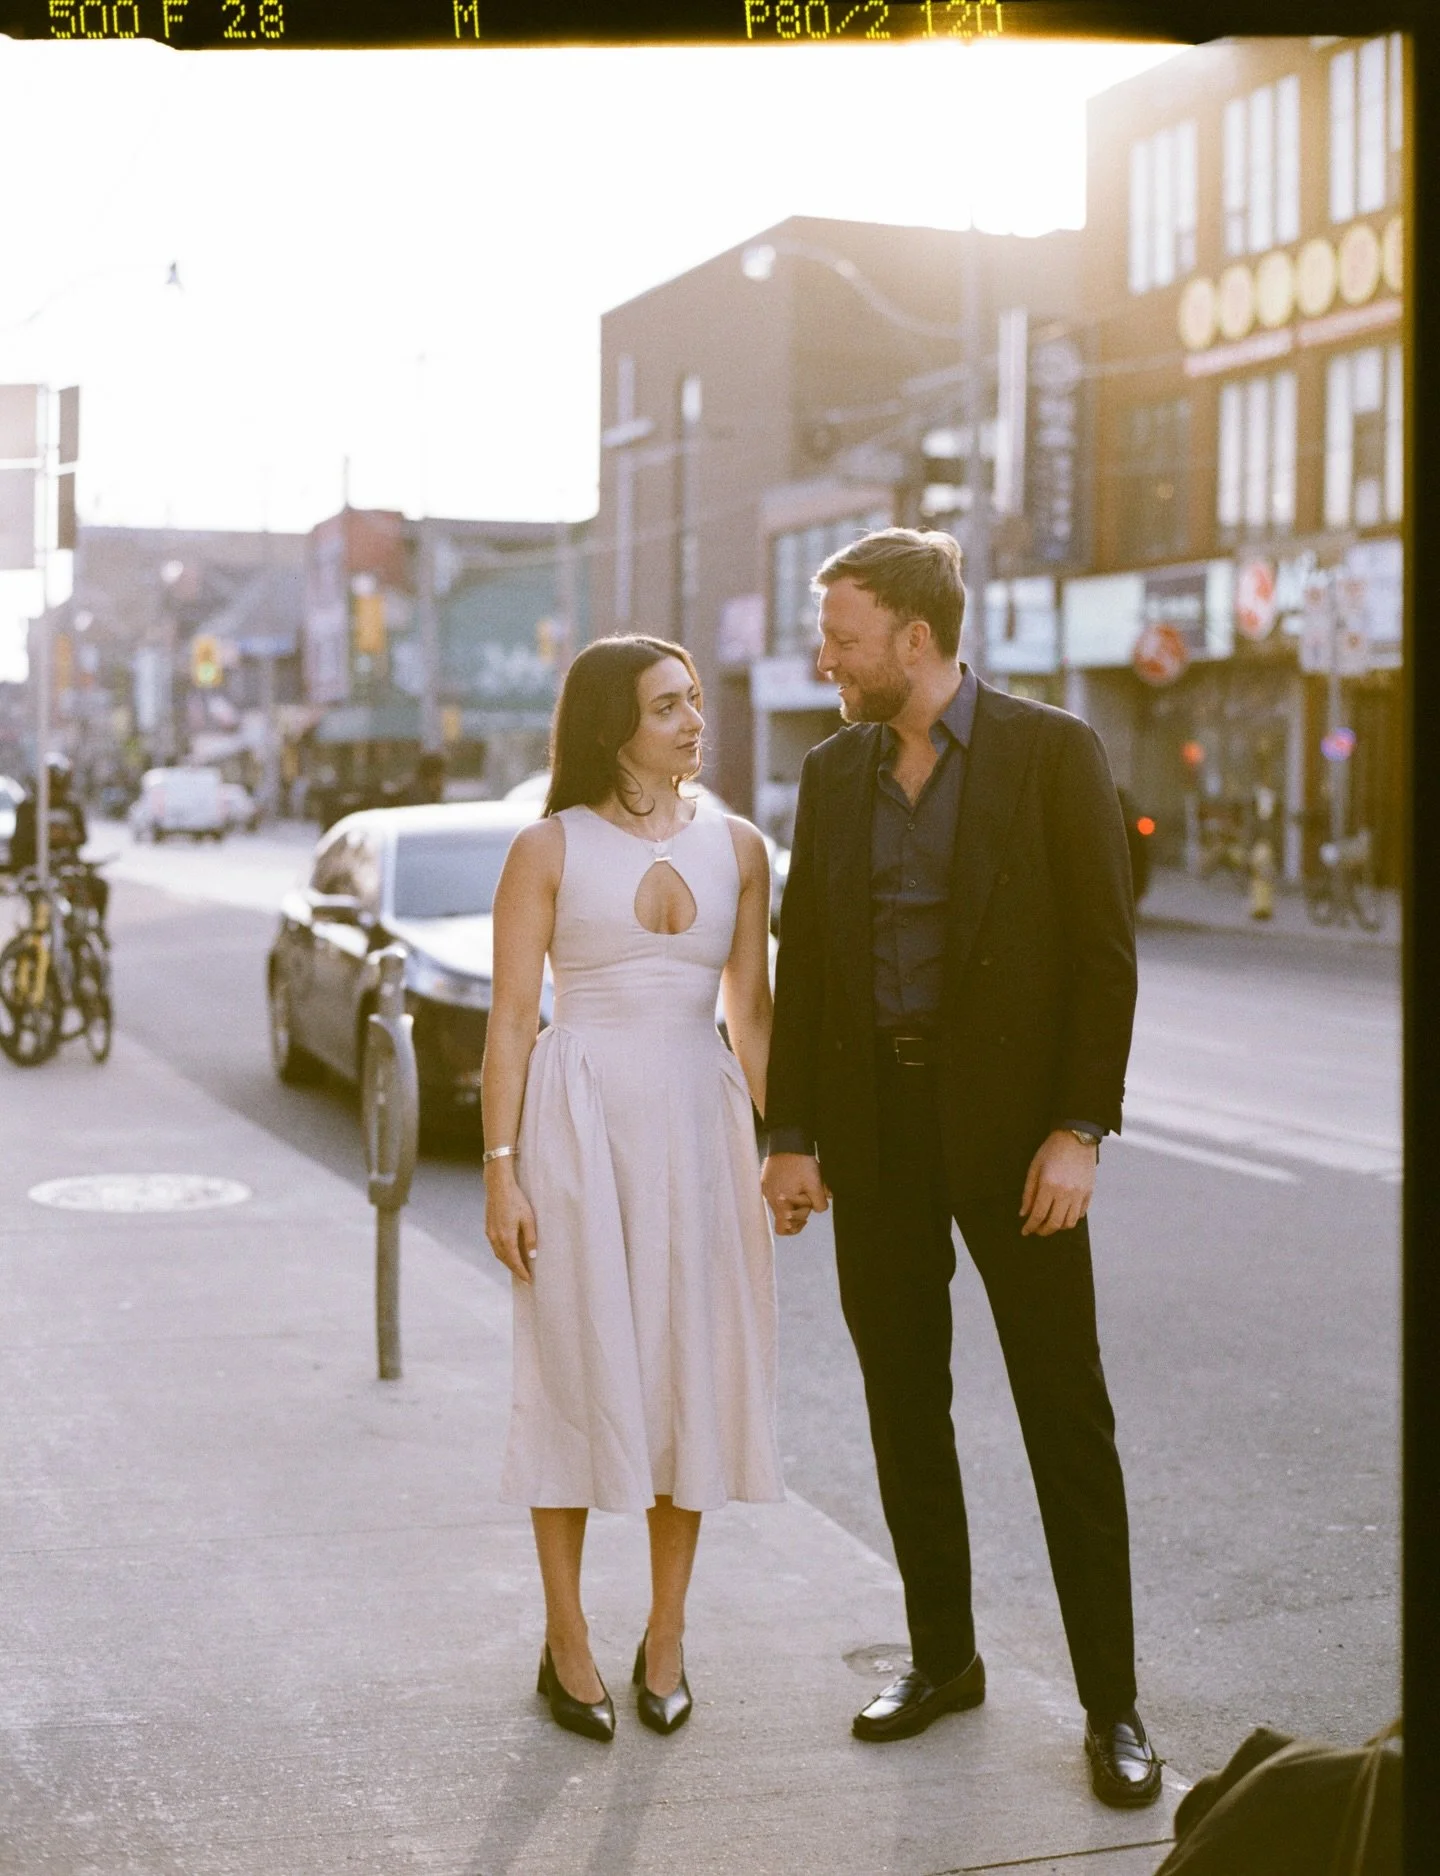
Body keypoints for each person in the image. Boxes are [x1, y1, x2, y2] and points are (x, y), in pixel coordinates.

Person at [762, 529, 1162, 1807]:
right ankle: (943, 1659)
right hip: (876, 1131)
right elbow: (806, 961)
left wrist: (1079, 1129)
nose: (826, 659)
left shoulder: (1054, 752)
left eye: (844, 638)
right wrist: (789, 1131)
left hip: (1018, 1141)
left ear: (916, 638)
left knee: (1064, 1414)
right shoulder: (831, 773)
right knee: (903, 1403)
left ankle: (1112, 1704)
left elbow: (1103, 955)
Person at [481, 634, 783, 1744]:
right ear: (615, 726)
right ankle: (567, 1640)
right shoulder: (547, 847)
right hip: (578, 1124)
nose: (695, 721)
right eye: (669, 706)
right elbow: (513, 1019)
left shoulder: (740, 847)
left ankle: (666, 1636)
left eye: (695, 700)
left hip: (701, 1125)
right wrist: (501, 1171)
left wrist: (791, 1149)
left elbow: (752, 1012)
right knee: (572, 1371)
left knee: (684, 1375)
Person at [9, 754, 108, 928]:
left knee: (98, 887)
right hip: (37, 868)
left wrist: (67, 837)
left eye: (59, 785)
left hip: (67, 866)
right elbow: (18, 842)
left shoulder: (72, 805)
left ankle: (95, 928)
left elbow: (83, 837)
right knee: (39, 914)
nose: (55, 791)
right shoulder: (28, 807)